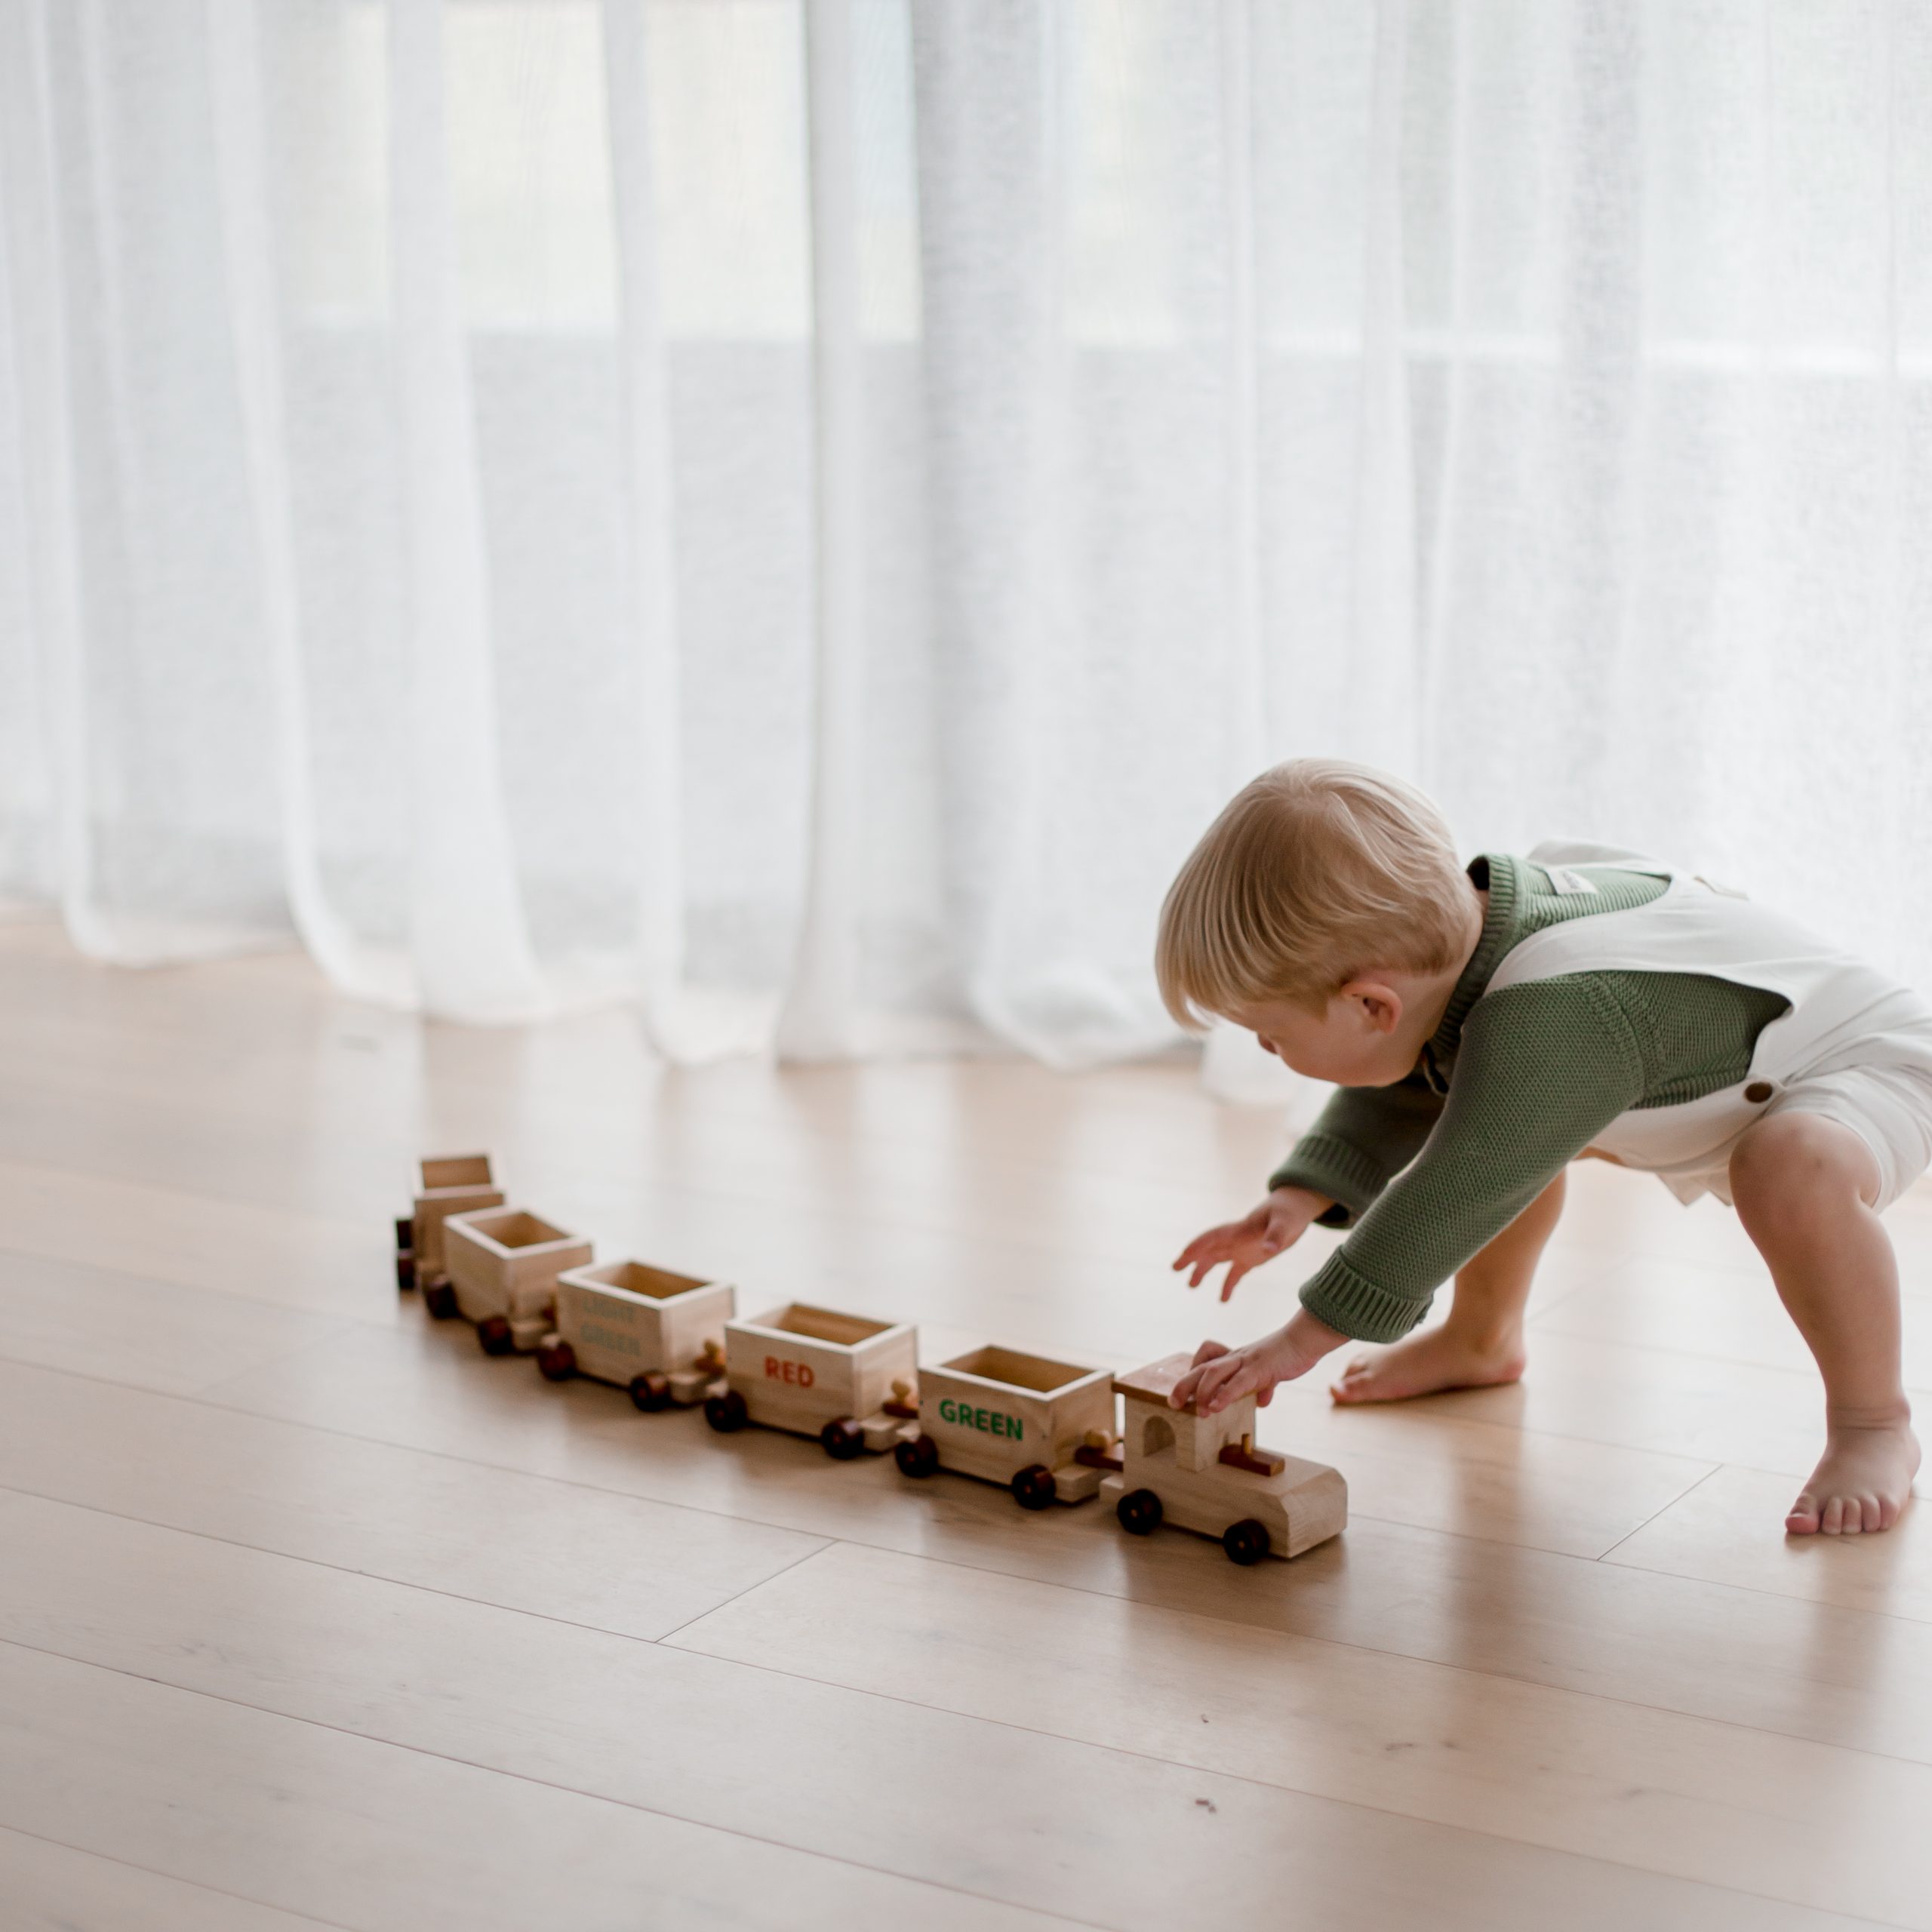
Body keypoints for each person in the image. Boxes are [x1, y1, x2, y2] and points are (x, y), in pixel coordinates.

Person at [1158, 759, 1931, 1536]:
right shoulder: (1466, 941)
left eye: (1270, 1035)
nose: (1264, 1047)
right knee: (1502, 1123)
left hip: (1867, 1065)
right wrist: (1307, 1190)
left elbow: (1455, 1190)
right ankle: (1481, 1338)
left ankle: (1873, 1423)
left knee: (1786, 1167)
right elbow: (1408, 1074)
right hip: (1698, 1067)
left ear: (1370, 1002)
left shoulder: (1552, 1017)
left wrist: (1299, 1339)